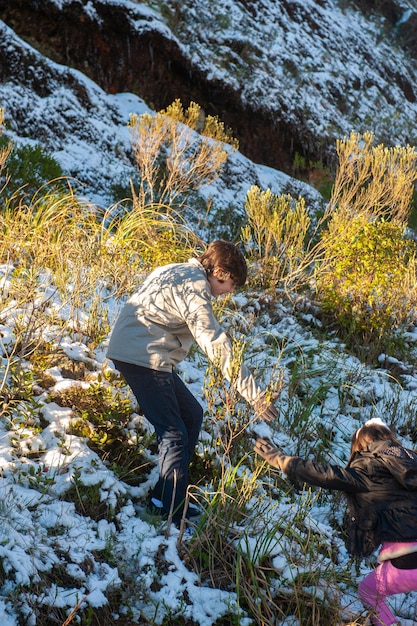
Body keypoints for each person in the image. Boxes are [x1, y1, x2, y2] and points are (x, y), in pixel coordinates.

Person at [107, 240, 278, 528]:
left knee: (191, 415)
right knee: (173, 432)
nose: (230, 292)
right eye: (231, 284)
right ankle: (167, 510)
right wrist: (255, 395)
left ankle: (169, 497)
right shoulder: (195, 289)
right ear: (220, 271)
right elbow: (214, 342)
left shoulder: (176, 270)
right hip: (143, 355)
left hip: (141, 351)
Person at [254, 419, 417, 626]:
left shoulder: (366, 472)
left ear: (360, 447)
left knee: (368, 590)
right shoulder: (412, 465)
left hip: (406, 563)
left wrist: (282, 460)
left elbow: (325, 474)